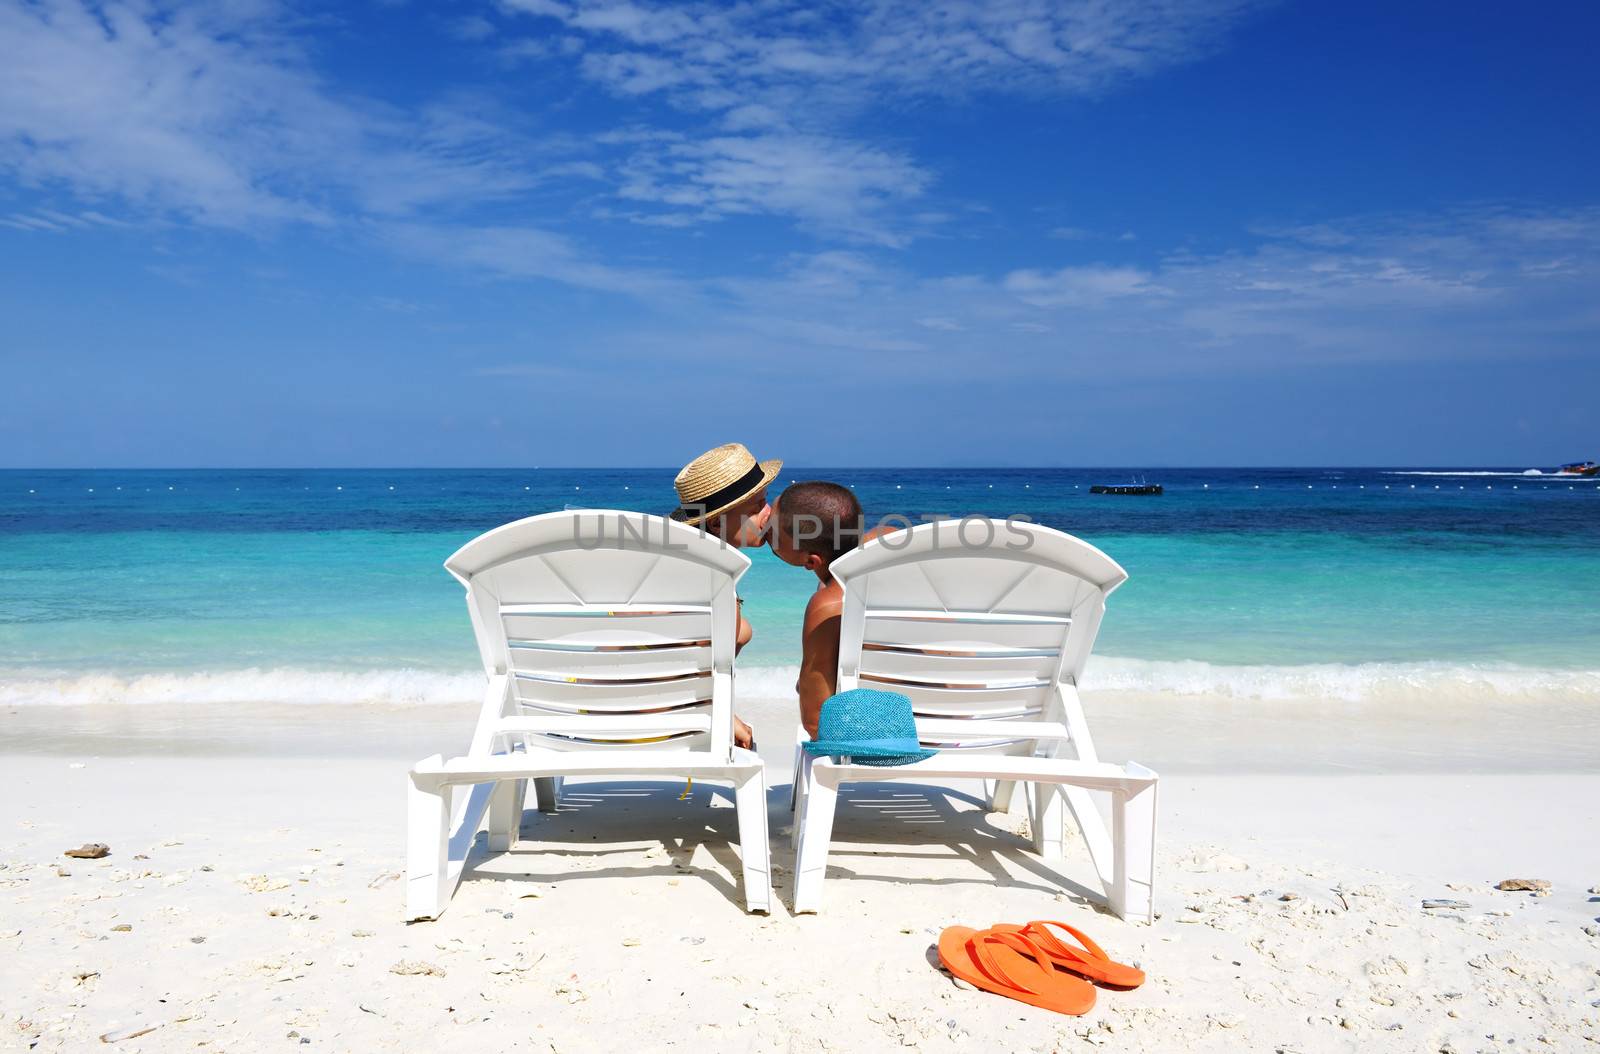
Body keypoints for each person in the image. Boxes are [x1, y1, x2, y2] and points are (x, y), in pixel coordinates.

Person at [669, 443, 782, 749]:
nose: (769, 512)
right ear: (717, 521)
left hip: (601, 714)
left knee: (740, 630)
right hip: (659, 728)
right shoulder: (716, 584)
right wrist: (723, 718)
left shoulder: (669, 571)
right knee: (738, 631)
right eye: (758, 505)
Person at [766, 480, 865, 739]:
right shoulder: (888, 557)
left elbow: (815, 722)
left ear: (811, 561)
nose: (764, 528)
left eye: (772, 535)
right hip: (946, 719)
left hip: (870, 734)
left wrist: (804, 686)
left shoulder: (828, 607)